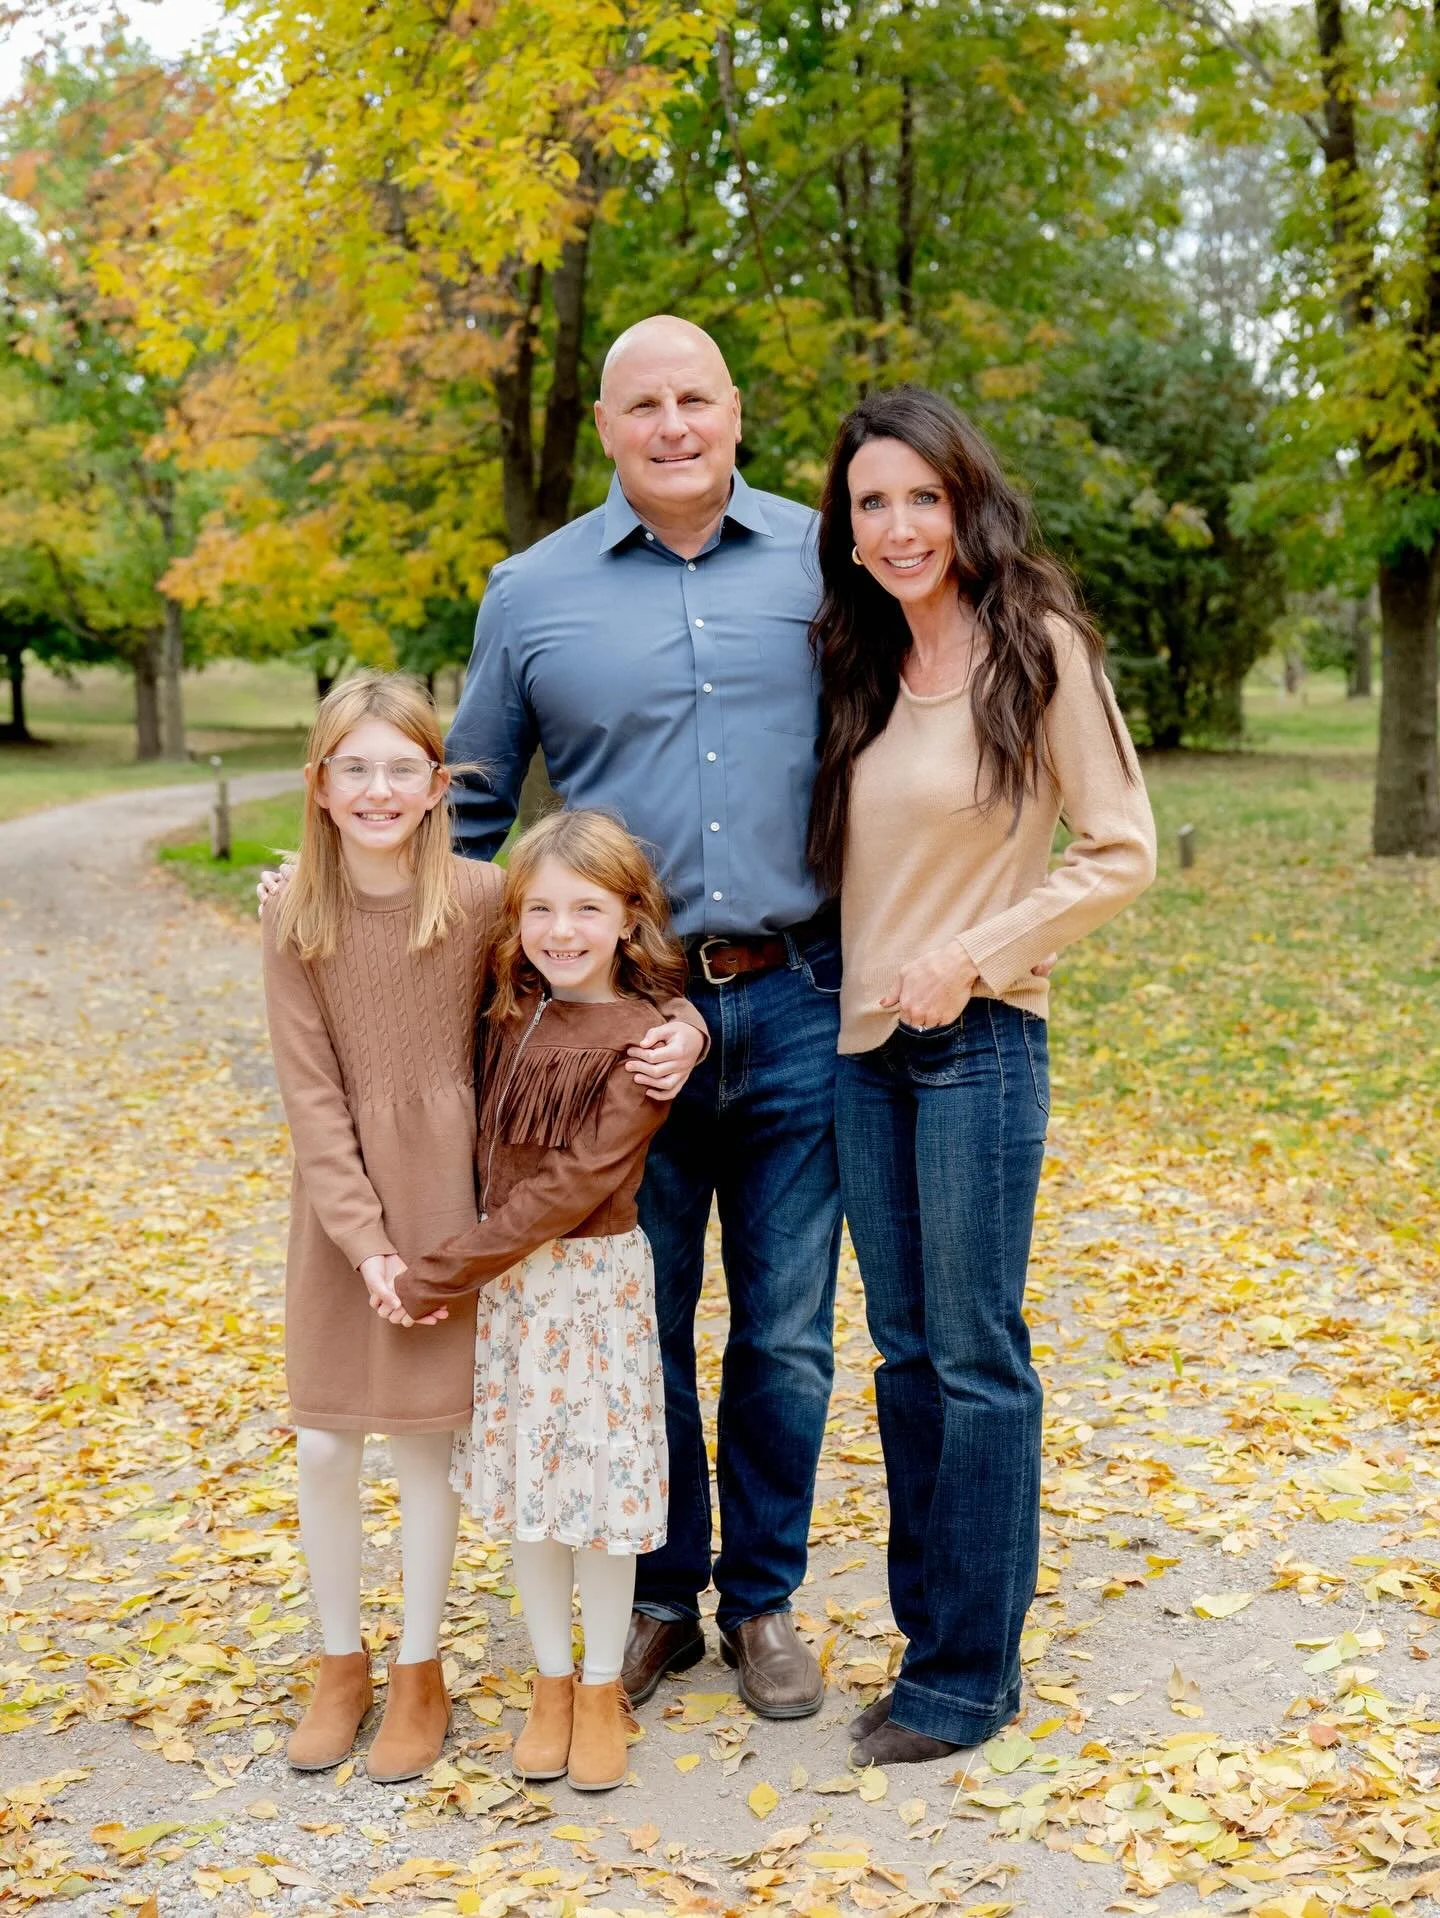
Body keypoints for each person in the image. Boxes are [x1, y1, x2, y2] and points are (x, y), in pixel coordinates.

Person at [446, 314, 841, 1718]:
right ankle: (663, 1590)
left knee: (788, 1326)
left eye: (697, 399)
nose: (673, 426)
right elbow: (472, 824)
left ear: (736, 411)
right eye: (644, 405)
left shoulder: (826, 552)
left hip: (801, 995)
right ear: (609, 426)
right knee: (643, 1317)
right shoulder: (530, 591)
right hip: (617, 1022)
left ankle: (767, 1597)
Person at [260, 675, 701, 1785]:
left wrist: (687, 1026)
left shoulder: (481, 895)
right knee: (323, 1440)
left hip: (462, 1207)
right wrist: (365, 1245)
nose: (375, 789)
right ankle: (339, 1661)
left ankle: (420, 1672)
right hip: (347, 1208)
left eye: (400, 767)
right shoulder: (290, 912)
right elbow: (311, 1098)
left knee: (426, 1449)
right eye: (351, 768)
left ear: (436, 783)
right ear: (318, 786)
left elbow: (598, 950)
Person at [807, 387, 1157, 1766]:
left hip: (981, 1043)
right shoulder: (859, 663)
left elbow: (1121, 845)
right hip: (860, 1052)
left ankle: (970, 1672)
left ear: (965, 501)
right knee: (902, 1359)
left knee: (974, 1357)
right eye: (870, 502)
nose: (897, 526)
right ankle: (928, 1644)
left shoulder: (1038, 643)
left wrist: (974, 951)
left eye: (920, 497)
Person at [384, 810, 702, 1792]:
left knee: (595, 1502)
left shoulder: (645, 1040)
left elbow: (571, 1184)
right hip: (516, 1300)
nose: (561, 930)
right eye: (541, 910)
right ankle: (552, 1684)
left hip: (591, 1292)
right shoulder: (506, 1014)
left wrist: (441, 1270)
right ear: (515, 918)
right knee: (530, 1496)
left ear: (628, 919)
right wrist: (285, 895)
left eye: (587, 910)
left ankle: (603, 1688)